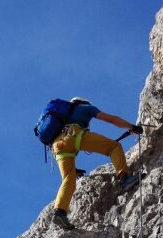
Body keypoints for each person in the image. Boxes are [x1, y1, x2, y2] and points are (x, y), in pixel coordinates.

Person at [51, 98, 143, 229]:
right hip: (74, 135)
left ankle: (59, 212)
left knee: (68, 179)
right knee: (114, 147)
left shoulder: (63, 116)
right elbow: (112, 119)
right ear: (83, 103)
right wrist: (132, 127)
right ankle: (124, 178)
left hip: (57, 146)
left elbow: (68, 145)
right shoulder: (86, 108)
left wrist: (74, 169)